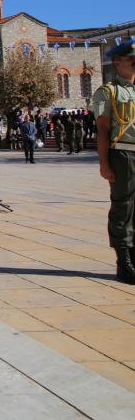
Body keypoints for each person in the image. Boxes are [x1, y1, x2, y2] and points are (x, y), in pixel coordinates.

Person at [93, 41, 135, 284]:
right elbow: (103, 129)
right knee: (123, 207)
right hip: (122, 153)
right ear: (118, 62)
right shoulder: (108, 91)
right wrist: (104, 163)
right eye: (131, 58)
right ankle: (124, 260)